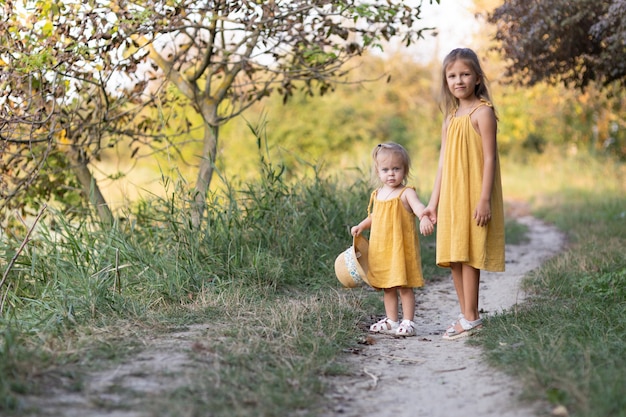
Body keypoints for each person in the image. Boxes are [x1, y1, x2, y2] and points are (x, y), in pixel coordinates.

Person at [422, 48, 505, 340]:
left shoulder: (483, 113)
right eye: (452, 75)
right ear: (446, 81)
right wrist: (432, 204)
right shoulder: (450, 119)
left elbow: (490, 159)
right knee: (455, 254)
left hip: (474, 195)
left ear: (477, 78)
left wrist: (484, 199)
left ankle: (472, 316)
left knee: (469, 253)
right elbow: (443, 164)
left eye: (465, 74)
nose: (459, 80)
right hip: (452, 197)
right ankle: (466, 314)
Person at [351, 142, 434, 337]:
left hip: (400, 249)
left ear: (405, 170)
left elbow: (418, 207)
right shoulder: (378, 194)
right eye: (386, 169)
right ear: (378, 171)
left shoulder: (406, 193)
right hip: (382, 249)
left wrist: (424, 217)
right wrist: (361, 226)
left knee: (404, 286)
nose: (391, 174)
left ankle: (408, 321)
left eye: (396, 169)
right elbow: (375, 217)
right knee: (388, 287)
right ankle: (391, 320)